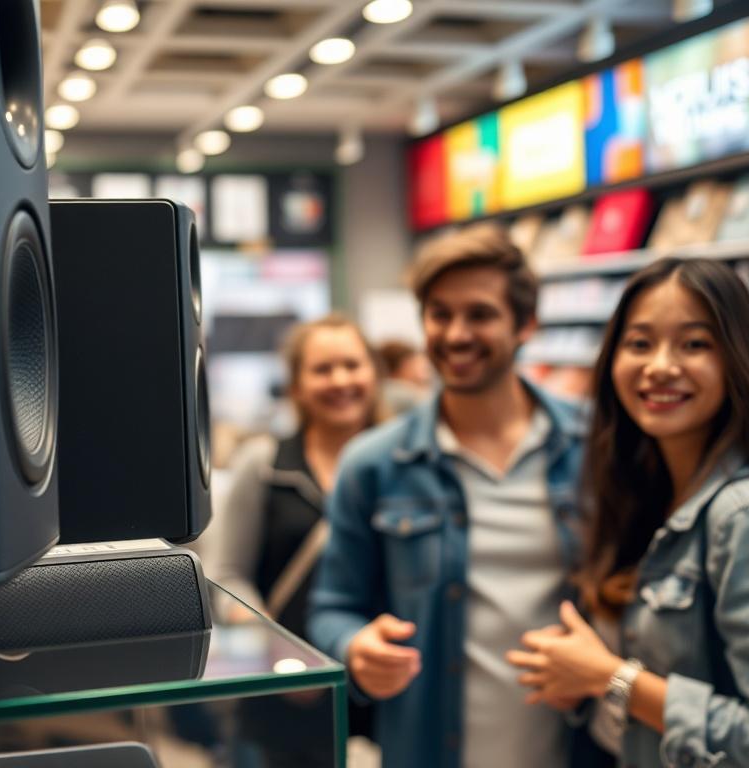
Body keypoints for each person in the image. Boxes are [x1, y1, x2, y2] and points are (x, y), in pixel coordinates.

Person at [308, 224, 589, 767]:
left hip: (574, 749)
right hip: (428, 749)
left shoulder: (594, 448)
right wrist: (355, 648)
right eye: (440, 314)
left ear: (526, 323)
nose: (456, 334)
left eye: (480, 314)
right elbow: (331, 608)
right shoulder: (375, 463)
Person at [508, 257, 749, 767]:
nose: (660, 366)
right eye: (639, 343)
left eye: (694, 344)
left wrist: (609, 677)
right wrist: (580, 682)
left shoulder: (746, 514)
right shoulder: (638, 488)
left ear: (738, 359)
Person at [206, 312, 385, 765]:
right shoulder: (264, 464)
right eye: (322, 369)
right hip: (286, 690)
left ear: (374, 373)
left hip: (384, 685)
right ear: (298, 385)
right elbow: (227, 577)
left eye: (352, 364)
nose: (340, 380)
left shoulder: (401, 465)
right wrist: (274, 649)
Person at [376, 339, 433, 414]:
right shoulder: (403, 394)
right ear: (404, 366)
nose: (426, 373)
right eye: (416, 365)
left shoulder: (381, 390)